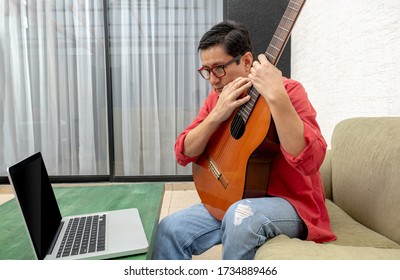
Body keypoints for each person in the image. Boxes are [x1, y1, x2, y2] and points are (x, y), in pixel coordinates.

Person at [152, 20, 336, 260]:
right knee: (169, 229)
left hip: (289, 203)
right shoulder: (218, 97)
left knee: (240, 217)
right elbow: (183, 152)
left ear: (247, 61)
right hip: (232, 197)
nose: (213, 79)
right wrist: (216, 115)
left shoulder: (289, 91)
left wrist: (277, 97)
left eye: (219, 68)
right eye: (206, 71)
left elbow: (311, 161)